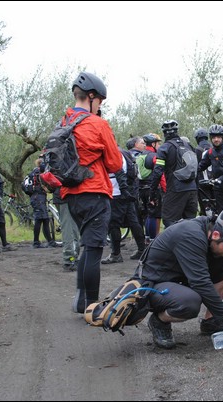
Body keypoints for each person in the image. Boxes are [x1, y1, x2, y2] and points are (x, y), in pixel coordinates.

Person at [139, 205, 223, 349]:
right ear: (216, 235)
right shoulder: (191, 235)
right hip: (155, 284)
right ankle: (159, 321)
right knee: (190, 302)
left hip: (181, 278)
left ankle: (211, 321)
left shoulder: (215, 233)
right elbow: (201, 283)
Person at [60, 71, 123, 314]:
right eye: (100, 103)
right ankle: (93, 306)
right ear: (92, 97)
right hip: (94, 192)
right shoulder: (97, 124)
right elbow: (115, 163)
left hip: (70, 195)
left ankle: (81, 299)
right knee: (94, 249)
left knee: (87, 246)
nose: (100, 108)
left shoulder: (64, 122)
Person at [148, 120, 198, 228]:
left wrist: (152, 193)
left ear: (164, 133)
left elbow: (157, 172)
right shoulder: (188, 145)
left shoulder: (164, 148)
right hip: (192, 189)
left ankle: (175, 244)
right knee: (190, 222)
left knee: (168, 220)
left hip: (176, 189)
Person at [102, 147, 147, 263]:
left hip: (116, 192)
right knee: (133, 221)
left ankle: (116, 254)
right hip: (127, 192)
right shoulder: (124, 152)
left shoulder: (111, 153)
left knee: (113, 223)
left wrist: (123, 189)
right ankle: (142, 250)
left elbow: (118, 171)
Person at [137, 133, 166, 243]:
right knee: (154, 214)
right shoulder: (154, 156)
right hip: (152, 188)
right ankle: (154, 241)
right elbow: (160, 174)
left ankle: (148, 239)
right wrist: (165, 189)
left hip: (141, 188)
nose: (159, 145)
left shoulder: (140, 155)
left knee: (148, 214)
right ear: (153, 144)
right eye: (158, 143)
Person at [29, 158, 58, 249]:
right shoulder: (39, 172)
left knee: (45, 219)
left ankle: (50, 241)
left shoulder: (35, 171)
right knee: (39, 219)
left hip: (39, 197)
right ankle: (36, 242)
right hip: (38, 197)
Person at [52, 187, 80, 272]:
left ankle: (73, 257)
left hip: (65, 196)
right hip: (65, 197)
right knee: (69, 229)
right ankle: (69, 260)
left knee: (73, 228)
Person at [193, 127, 213, 215]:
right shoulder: (213, 148)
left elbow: (195, 166)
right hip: (214, 180)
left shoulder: (197, 150)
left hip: (202, 182)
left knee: (205, 207)